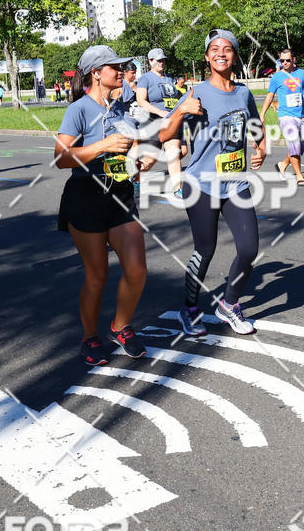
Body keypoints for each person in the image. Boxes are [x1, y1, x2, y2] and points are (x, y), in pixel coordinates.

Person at [159, 29, 266, 337]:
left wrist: (260, 147)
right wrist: (182, 110)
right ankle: (189, 308)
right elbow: (165, 135)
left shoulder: (243, 93)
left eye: (227, 49)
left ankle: (228, 305)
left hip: (236, 184)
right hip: (201, 185)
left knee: (249, 249)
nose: (221, 53)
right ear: (207, 57)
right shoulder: (196, 93)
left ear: (235, 55)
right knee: (205, 250)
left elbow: (255, 124)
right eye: (215, 49)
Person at [54, 45, 149, 365]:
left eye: (122, 67)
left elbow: (129, 151)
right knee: (97, 276)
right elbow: (60, 158)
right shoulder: (78, 109)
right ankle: (89, 338)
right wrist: (102, 146)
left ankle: (120, 327)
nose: (121, 71)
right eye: (114, 67)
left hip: (120, 193)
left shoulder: (121, 108)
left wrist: (138, 161)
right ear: (96, 73)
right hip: (86, 196)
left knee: (136, 269)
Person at [259, 48, 304, 187]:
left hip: (301, 116)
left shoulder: (301, 74)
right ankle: (299, 176)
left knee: (300, 145)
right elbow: (270, 95)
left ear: (293, 60)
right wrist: (262, 113)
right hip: (285, 116)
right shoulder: (277, 77)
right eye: (282, 60)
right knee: (294, 144)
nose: (285, 63)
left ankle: (283, 164)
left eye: (287, 60)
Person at [136, 48, 186, 196]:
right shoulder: (145, 78)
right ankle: (135, 179)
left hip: (170, 122)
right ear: (150, 61)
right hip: (153, 122)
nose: (161, 63)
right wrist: (159, 112)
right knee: (150, 159)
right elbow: (140, 101)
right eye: (158, 60)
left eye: (163, 60)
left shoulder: (169, 78)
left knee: (173, 154)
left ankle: (177, 189)